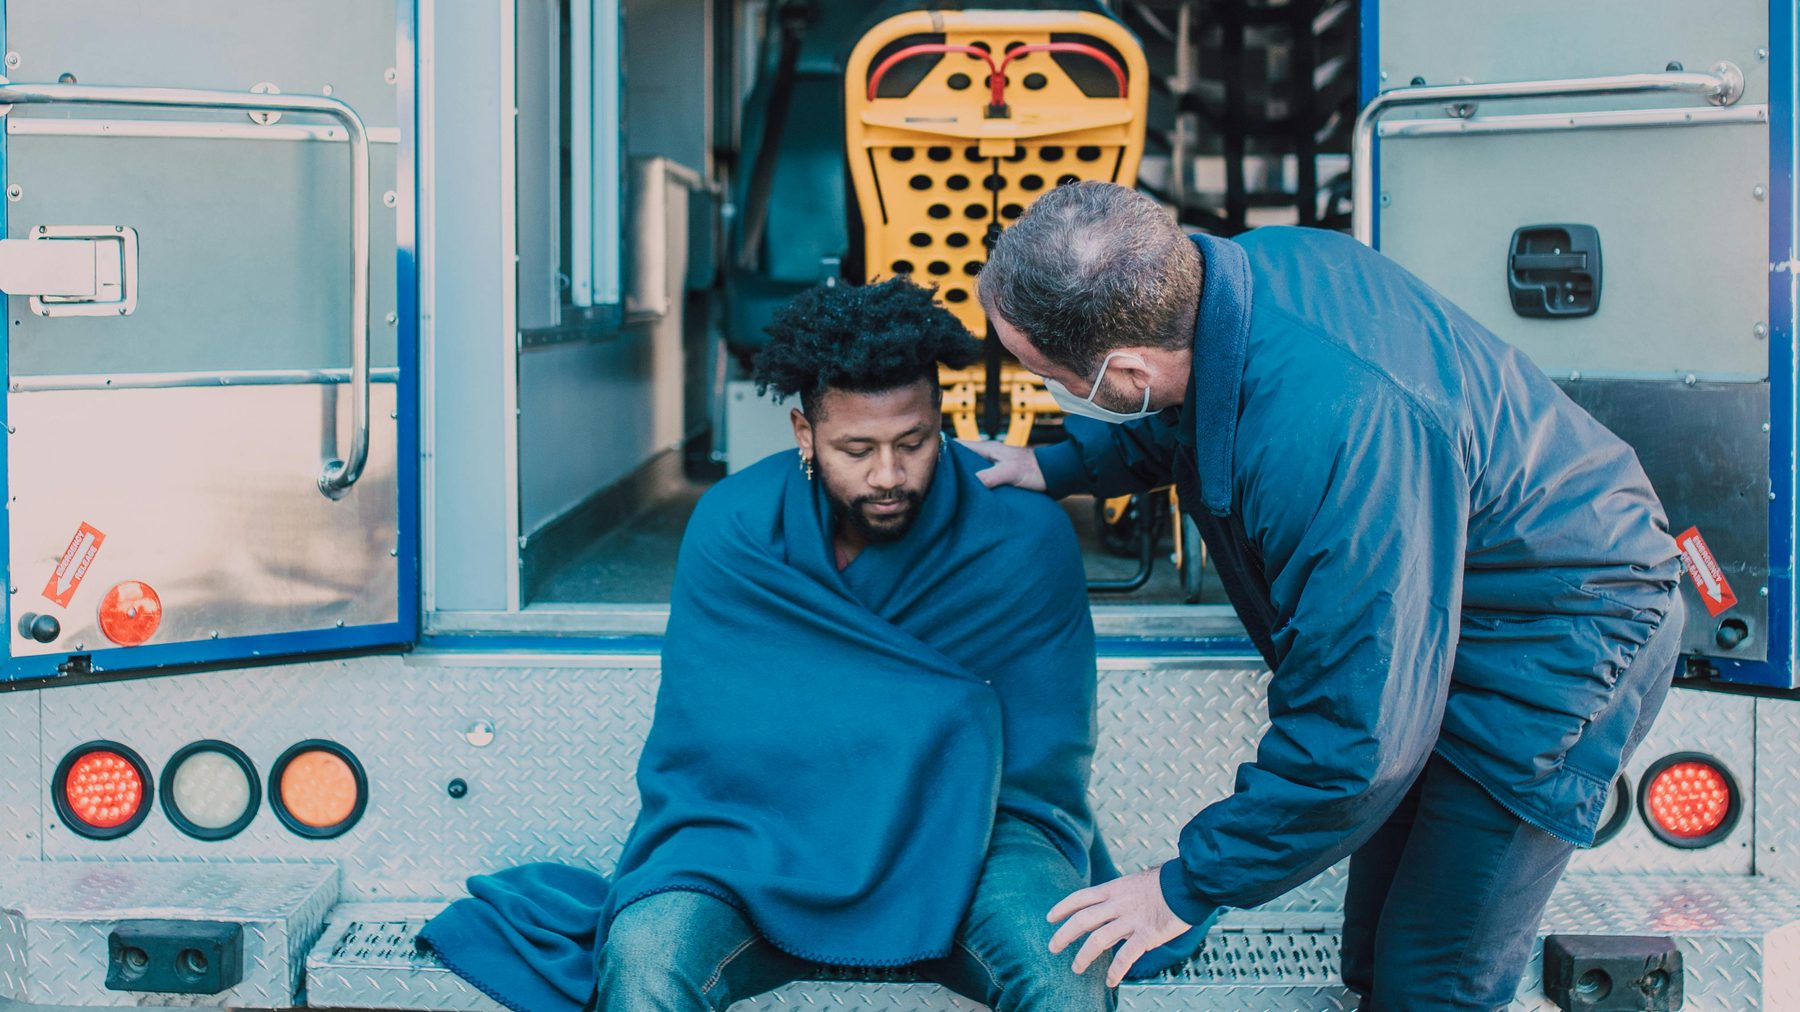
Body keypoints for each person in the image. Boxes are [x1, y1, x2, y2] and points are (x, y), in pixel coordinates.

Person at [967, 181, 1686, 1010]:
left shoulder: (1334, 433)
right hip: (1454, 598)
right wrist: (1058, 467)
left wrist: (1183, 887)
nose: (1045, 384)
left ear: (1125, 367)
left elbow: (1359, 734)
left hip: (1563, 637)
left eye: (1047, 374)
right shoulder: (1228, 281)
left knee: (1432, 982)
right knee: (1375, 953)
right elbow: (1183, 408)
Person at [420, 278, 1115, 1012]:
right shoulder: (737, 526)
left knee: (1063, 966)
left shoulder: (1021, 536)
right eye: (857, 448)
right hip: (758, 832)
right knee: (647, 954)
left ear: (941, 421)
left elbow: (1044, 759)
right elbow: (712, 745)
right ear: (803, 435)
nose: (888, 475)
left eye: (913, 442)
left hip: (973, 829)